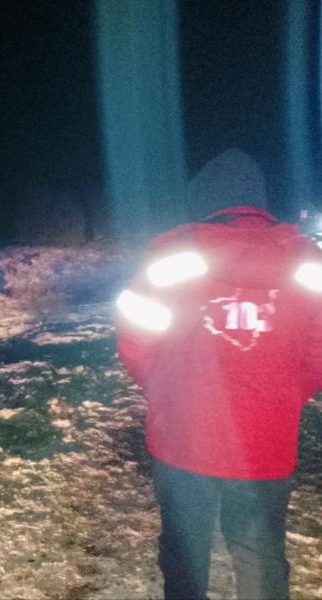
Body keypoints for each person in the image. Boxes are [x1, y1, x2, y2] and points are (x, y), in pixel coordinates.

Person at [115, 203, 322, 599]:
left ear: (210, 206)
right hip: (266, 440)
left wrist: (165, 393)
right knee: (261, 555)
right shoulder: (309, 262)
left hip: (183, 437)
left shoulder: (173, 257)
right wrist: (288, 395)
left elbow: (135, 341)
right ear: (262, 208)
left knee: (184, 555)